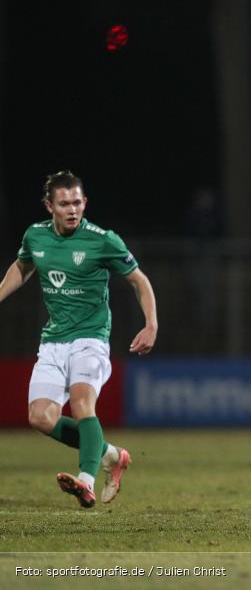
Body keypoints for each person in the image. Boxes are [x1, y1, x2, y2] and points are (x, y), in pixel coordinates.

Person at [0, 171, 158, 508]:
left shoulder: (103, 240)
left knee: (82, 403)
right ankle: (112, 456)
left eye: (77, 202)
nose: (72, 209)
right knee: (40, 418)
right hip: (54, 340)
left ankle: (85, 481)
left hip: (91, 339)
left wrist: (151, 324)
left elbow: (139, 281)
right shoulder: (35, 236)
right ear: (49, 206)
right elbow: (22, 266)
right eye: (64, 204)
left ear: (84, 202)